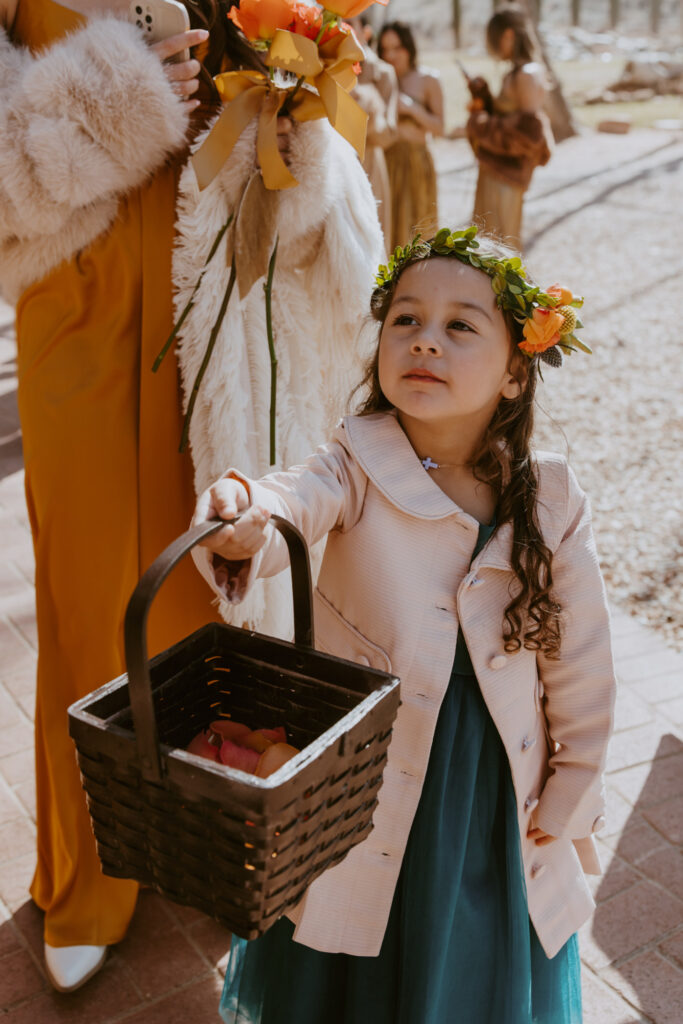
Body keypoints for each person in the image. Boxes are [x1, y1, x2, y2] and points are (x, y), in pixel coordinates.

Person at [1, 0, 375, 992]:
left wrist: (294, 103)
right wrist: (102, 108)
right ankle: (85, 875)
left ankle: (210, 829)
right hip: (72, 283)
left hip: (206, 280)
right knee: (87, 603)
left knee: (209, 574)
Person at [192, 226, 616, 1023]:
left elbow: (581, 664)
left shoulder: (550, 500)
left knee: (466, 951)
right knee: (354, 936)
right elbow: (290, 499)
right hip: (366, 772)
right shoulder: (356, 459)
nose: (426, 340)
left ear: (516, 372)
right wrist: (245, 515)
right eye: (405, 320)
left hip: (486, 790)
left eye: (460, 325)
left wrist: (568, 799)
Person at [466, 4, 553, 250]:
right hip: (494, 170)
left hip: (507, 176)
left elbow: (528, 135)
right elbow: (509, 118)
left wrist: (480, 125)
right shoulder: (515, 73)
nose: (491, 47)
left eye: (493, 39)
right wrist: (483, 95)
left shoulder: (526, 75)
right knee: (487, 243)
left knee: (501, 247)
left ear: (508, 35)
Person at [377, 21, 444, 250]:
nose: (391, 55)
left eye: (397, 48)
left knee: (420, 232)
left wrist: (410, 109)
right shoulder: (380, 79)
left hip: (418, 164)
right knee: (387, 229)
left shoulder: (428, 79)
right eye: (385, 49)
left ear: (409, 47)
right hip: (387, 162)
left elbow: (440, 127)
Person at [349, 14, 399, 247]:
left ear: (365, 32)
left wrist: (363, 102)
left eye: (349, 23)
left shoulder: (384, 73)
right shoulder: (320, 68)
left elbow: (388, 134)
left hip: (370, 167)